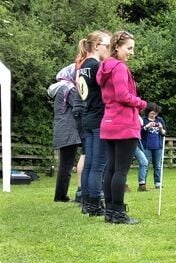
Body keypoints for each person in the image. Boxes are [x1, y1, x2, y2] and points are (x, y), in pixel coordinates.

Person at [97, 30, 149, 224]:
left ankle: (110, 211)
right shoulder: (119, 67)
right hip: (124, 124)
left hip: (109, 123)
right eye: (129, 48)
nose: (131, 52)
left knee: (111, 168)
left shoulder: (105, 67)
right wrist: (143, 104)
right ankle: (118, 212)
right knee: (120, 171)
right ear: (117, 47)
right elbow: (122, 95)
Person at [75, 30, 112, 216]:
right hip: (98, 118)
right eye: (107, 45)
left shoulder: (81, 66)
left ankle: (87, 202)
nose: (110, 49)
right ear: (97, 46)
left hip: (87, 116)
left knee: (89, 163)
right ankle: (95, 205)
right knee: (98, 165)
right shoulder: (97, 67)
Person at [49, 63, 82, 202]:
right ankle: (61, 196)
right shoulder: (69, 89)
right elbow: (78, 106)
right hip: (68, 131)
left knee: (65, 164)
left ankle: (60, 195)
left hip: (62, 130)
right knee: (66, 165)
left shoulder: (60, 88)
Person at [141, 103, 166, 190]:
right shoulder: (144, 120)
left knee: (157, 166)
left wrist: (161, 128)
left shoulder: (160, 120)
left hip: (158, 147)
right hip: (146, 147)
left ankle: (158, 183)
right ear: (148, 112)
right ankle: (143, 184)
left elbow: (164, 133)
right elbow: (140, 133)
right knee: (145, 165)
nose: (153, 115)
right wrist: (146, 127)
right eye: (152, 113)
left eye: (155, 113)